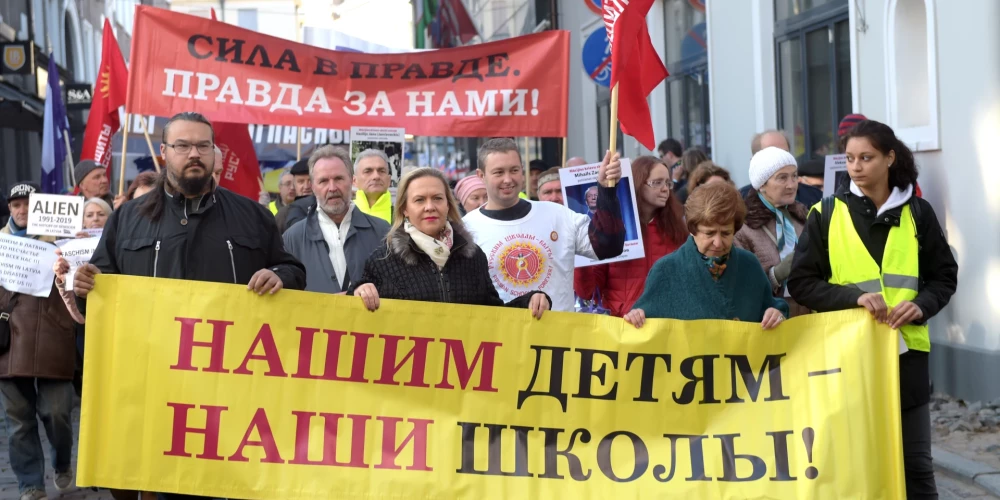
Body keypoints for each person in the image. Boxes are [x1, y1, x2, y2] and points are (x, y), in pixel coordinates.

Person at [72, 112, 306, 499]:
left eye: (202, 145)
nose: (193, 153)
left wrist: (281, 275)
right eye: (182, 145)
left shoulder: (252, 215)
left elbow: (293, 269)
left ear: (215, 153)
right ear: (164, 153)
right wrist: (84, 281)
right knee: (153, 482)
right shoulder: (128, 218)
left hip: (232, 389)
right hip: (152, 385)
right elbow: (103, 277)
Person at [788, 120, 957, 499]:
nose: (857, 166)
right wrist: (854, 298)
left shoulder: (919, 213)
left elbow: (944, 277)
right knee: (854, 463)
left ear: (889, 158)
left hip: (907, 358)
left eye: (866, 157)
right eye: (850, 159)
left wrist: (919, 305)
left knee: (915, 465)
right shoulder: (825, 213)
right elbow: (801, 283)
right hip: (846, 359)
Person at [350, 167, 551, 317]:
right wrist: (359, 292)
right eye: (419, 200)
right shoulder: (383, 260)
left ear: (448, 204)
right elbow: (356, 315)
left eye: (437, 198)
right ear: (404, 209)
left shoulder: (473, 256)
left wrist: (529, 301)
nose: (430, 207)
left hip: (464, 369)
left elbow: (493, 316)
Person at [463, 138, 625, 312]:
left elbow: (609, 246)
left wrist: (606, 190)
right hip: (504, 336)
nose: (508, 179)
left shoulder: (558, 215)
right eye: (498, 172)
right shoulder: (466, 229)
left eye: (514, 170)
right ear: (481, 175)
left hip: (558, 336)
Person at [0, 182, 77, 500]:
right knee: (18, 420)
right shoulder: (0, 244)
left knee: (57, 412)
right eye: (16, 205)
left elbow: (80, 286)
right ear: (9, 208)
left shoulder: (63, 244)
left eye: (29, 204)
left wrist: (68, 266)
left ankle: (62, 462)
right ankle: (30, 484)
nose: (22, 210)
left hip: (52, 338)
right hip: (9, 341)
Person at [624, 182, 788, 329]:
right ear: (692, 230)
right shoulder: (665, 270)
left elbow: (771, 306)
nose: (718, 242)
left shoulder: (749, 264)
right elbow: (644, 323)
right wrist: (636, 317)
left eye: (726, 233)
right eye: (709, 233)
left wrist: (776, 313)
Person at [574, 156, 687, 316]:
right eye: (657, 182)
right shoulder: (614, 228)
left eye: (668, 183)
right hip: (621, 328)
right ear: (638, 184)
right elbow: (588, 291)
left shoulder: (677, 230)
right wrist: (581, 259)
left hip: (663, 326)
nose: (665, 189)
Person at [284, 146, 390, 294]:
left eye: (339, 179)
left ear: (352, 181)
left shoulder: (382, 231)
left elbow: (397, 289)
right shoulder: (292, 238)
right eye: (323, 181)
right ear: (313, 187)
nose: (332, 188)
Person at [734, 147, 810, 317]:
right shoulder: (743, 227)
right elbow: (740, 284)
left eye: (794, 176)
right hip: (770, 318)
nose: (791, 185)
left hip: (807, 313)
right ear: (762, 185)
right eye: (782, 178)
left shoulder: (803, 218)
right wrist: (776, 274)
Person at [740, 130, 792, 198]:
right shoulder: (739, 202)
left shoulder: (808, 195)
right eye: (772, 155)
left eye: (785, 154)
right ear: (754, 162)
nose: (781, 160)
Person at [274, 159, 315, 233]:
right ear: (295, 185)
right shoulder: (283, 214)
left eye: (310, 181)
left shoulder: (327, 209)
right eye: (301, 181)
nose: (306, 186)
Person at [354, 149, 393, 224]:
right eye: (368, 171)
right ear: (355, 181)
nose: (376, 176)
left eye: (381, 171)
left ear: (389, 180)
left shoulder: (402, 215)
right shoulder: (343, 214)